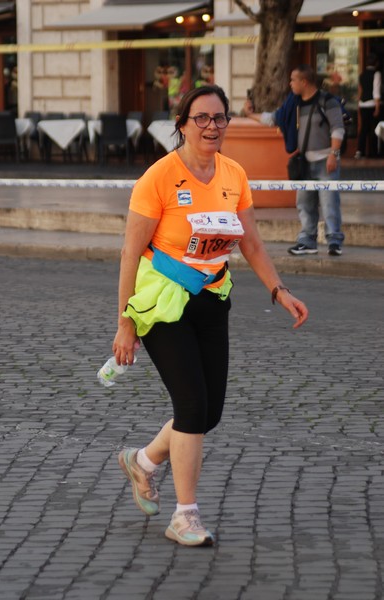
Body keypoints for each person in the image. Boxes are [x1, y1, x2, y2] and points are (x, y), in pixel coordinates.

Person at [112, 84, 308, 547]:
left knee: (208, 411)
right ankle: (185, 515)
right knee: (193, 408)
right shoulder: (158, 177)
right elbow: (129, 251)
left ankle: (141, 462)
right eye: (201, 118)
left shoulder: (234, 174)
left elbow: (251, 241)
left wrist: (278, 290)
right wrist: (124, 322)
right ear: (181, 124)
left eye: (219, 118)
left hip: (213, 297)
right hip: (162, 302)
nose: (212, 126)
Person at [246, 65, 345, 257]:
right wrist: (249, 114)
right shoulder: (294, 105)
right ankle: (308, 241)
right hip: (304, 163)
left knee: (329, 202)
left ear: (304, 82)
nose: (290, 84)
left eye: (293, 80)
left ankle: (334, 241)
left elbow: (337, 128)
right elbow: (274, 119)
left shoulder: (327, 101)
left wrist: (334, 154)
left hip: (326, 161)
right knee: (304, 203)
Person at [355, 53, 382, 159]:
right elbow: (376, 91)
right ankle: (373, 152)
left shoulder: (362, 74)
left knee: (363, 128)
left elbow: (360, 90)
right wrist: (377, 107)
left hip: (362, 104)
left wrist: (359, 103)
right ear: (376, 63)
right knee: (373, 129)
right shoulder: (377, 74)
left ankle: (359, 151)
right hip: (372, 104)